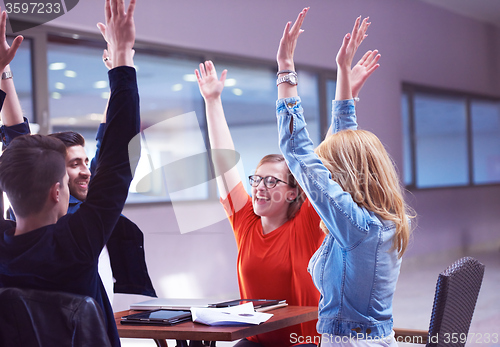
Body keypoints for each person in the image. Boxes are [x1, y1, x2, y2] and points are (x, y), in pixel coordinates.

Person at [194, 24, 380, 346]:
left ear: (294, 192)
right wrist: (212, 101)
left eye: (271, 181)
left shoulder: (308, 222)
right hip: (254, 342)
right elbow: (223, 161)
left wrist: (347, 90)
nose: (259, 187)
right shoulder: (245, 222)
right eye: (256, 179)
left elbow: (330, 158)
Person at [0, 0, 139, 345]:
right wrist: (123, 57)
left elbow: (114, 157)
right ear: (56, 192)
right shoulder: (76, 243)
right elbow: (118, 156)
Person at [275, 8, 415, 347]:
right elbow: (347, 146)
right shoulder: (381, 222)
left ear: (345, 176)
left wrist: (285, 69)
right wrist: (344, 85)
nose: (328, 177)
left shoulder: (357, 226)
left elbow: (298, 151)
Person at [0, 52, 156, 305]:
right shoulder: (76, 237)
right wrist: (122, 68)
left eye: (87, 162)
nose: (87, 170)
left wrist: (3, 70)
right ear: (55, 188)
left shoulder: (8, 244)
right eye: (73, 165)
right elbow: (115, 156)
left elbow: (107, 148)